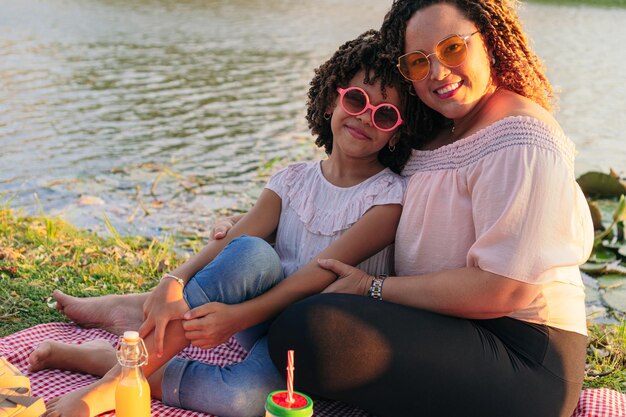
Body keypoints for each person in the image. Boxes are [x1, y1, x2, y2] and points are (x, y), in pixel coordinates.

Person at [30, 30, 421, 417]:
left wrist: (238, 317)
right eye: (356, 99)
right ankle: (112, 384)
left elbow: (317, 277)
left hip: (307, 332)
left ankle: (114, 364)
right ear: (331, 101)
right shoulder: (292, 179)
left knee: (243, 399)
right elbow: (239, 236)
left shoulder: (387, 198)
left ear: (395, 134)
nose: (365, 118)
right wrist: (174, 280)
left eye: (384, 115)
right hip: (260, 311)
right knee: (252, 252)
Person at [261, 2, 595, 417]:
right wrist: (266, 226)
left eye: (452, 48)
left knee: (309, 330)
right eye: (418, 62)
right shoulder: (432, 132)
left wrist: (372, 287)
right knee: (302, 321)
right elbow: (358, 198)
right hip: (444, 325)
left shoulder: (521, 136)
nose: (437, 72)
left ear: (488, 41)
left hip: (523, 354)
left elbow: (504, 290)